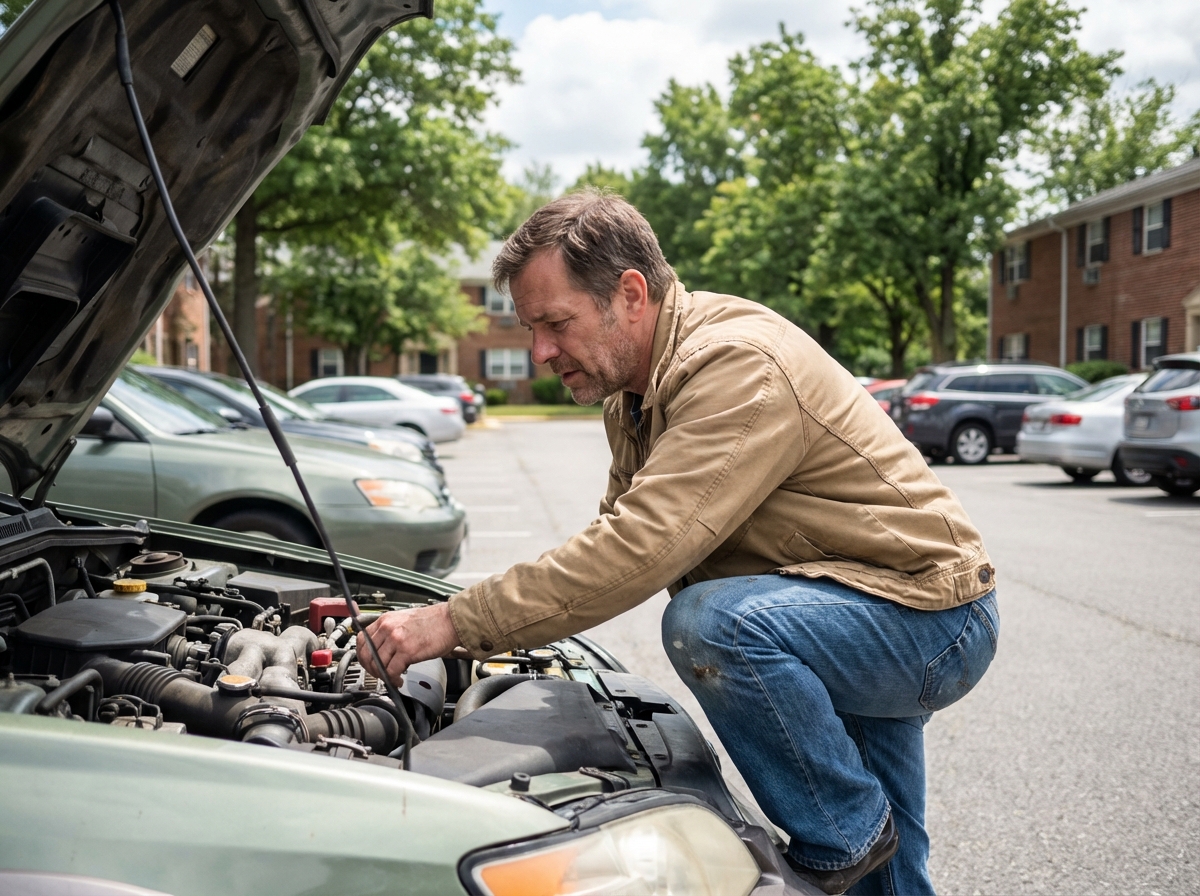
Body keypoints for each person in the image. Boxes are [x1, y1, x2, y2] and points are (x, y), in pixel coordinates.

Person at [358, 189, 998, 896]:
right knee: (889, 877)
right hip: (833, 609)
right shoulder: (635, 394)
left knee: (714, 626)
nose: (540, 352)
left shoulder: (736, 366)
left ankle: (841, 831)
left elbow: (640, 548)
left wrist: (455, 622)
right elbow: (610, 537)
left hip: (922, 618)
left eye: (556, 324)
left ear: (631, 294)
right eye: (530, 329)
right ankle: (855, 836)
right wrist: (498, 621)